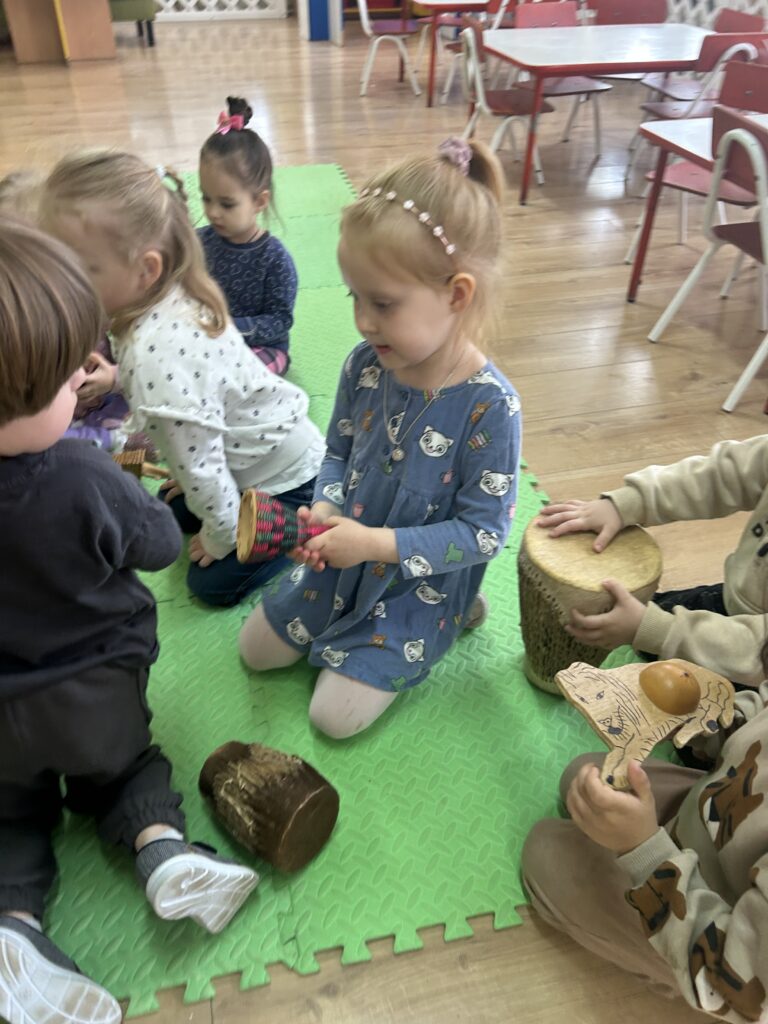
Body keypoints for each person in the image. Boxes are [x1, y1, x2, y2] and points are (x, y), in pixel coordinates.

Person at [0, 218, 259, 1024]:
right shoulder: (81, 473)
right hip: (98, 689)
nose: (76, 388)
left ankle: (14, 924)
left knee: (8, 814)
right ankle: (163, 851)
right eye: (63, 383)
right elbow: (157, 545)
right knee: (126, 770)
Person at [239, 138, 521, 739]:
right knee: (255, 652)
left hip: (415, 587)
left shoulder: (491, 408)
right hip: (345, 556)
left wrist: (371, 544)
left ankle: (456, 614)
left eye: (384, 304)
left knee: (332, 719)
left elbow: (484, 533)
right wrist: (326, 507)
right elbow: (339, 453)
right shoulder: (364, 365)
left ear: (457, 294)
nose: (364, 321)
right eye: (354, 297)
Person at [40, 149, 324, 608]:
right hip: (243, 454)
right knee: (175, 508)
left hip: (286, 477)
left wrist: (221, 536)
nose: (63, 282)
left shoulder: (156, 348)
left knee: (209, 585)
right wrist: (118, 380)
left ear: (146, 268)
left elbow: (202, 469)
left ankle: (290, 532)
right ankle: (233, 509)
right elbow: (190, 405)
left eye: (81, 269)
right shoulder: (163, 295)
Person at [522, 639, 768, 1023]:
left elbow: (738, 983)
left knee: (543, 851)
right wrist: (707, 723)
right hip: (714, 810)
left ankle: (668, 969)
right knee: (583, 775)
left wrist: (643, 849)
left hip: (713, 936)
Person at [536, 436, 768, 688]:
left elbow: (755, 650)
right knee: (628, 620)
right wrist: (627, 504)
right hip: (735, 602)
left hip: (757, 670)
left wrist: (657, 630)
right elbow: (721, 474)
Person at [0, 169, 130, 452]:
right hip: (53, 428)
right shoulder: (16, 325)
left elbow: (142, 361)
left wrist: (115, 378)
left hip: (110, 403)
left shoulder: (101, 297)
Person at [198, 96, 298, 376]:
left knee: (246, 374)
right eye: (206, 198)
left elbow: (280, 321)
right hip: (206, 341)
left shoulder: (275, 259)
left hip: (260, 348)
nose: (213, 212)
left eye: (227, 204)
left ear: (259, 201)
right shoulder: (199, 242)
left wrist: (231, 327)